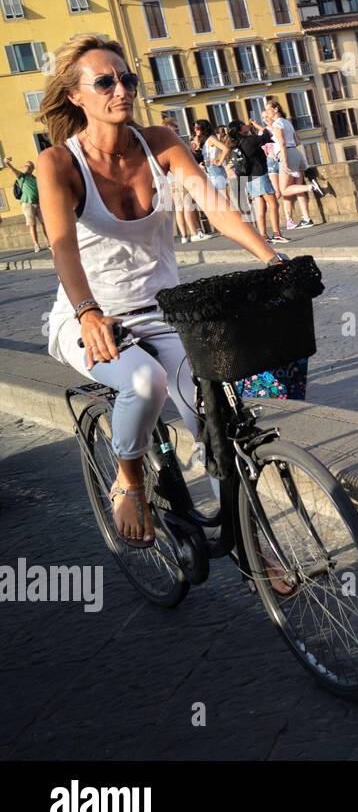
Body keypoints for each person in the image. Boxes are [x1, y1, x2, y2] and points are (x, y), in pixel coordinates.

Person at [35, 34, 285, 549]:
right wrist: (86, 313)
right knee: (144, 382)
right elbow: (63, 247)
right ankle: (128, 480)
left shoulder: (162, 142)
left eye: (126, 78)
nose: (121, 89)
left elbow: (215, 205)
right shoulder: (59, 163)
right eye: (104, 82)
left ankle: (254, 553)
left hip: (165, 311)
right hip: (92, 319)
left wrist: (271, 259)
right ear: (76, 96)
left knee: (216, 416)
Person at [260, 99, 319, 231]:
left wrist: (285, 160)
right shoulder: (287, 122)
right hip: (296, 153)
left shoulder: (277, 123)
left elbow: (281, 142)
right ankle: (306, 219)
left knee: (283, 190)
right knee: (294, 188)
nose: (268, 112)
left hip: (287, 154)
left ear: (276, 109)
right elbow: (297, 141)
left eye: (269, 109)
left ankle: (311, 187)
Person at [227, 119, 286, 243]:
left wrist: (250, 129)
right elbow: (267, 134)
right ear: (240, 128)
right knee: (274, 205)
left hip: (249, 179)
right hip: (260, 176)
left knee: (261, 208)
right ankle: (276, 234)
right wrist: (255, 125)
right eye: (243, 124)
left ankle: (263, 235)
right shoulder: (249, 141)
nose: (246, 125)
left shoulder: (236, 144)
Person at [160, 115, 206, 243]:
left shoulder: (161, 144)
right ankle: (195, 233)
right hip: (179, 178)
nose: (178, 129)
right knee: (188, 206)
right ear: (168, 127)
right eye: (175, 126)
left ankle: (185, 236)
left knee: (180, 208)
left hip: (170, 180)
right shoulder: (172, 143)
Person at [4, 156, 49, 252]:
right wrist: (6, 162)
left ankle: (49, 242)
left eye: (29, 166)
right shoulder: (21, 176)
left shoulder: (34, 178)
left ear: (33, 168)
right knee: (32, 225)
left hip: (38, 203)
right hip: (27, 204)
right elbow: (12, 169)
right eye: (26, 166)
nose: (27, 167)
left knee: (45, 223)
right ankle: (36, 245)